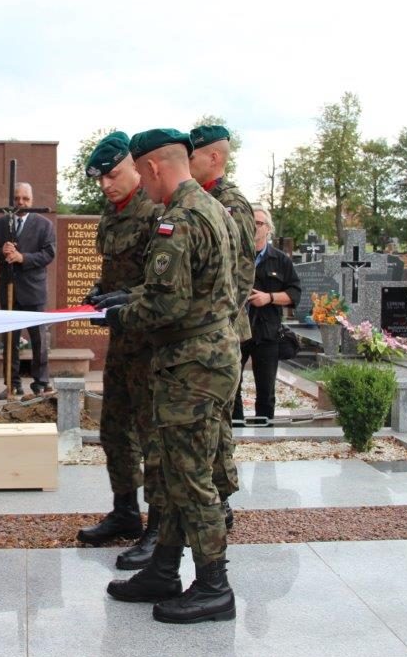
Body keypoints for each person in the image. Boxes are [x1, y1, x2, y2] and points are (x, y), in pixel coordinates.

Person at [102, 128, 241, 624]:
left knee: (190, 476)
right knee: (176, 471)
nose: (141, 184)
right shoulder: (214, 209)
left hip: (192, 364)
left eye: (140, 174)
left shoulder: (179, 220)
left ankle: (214, 586)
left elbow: (167, 304)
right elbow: (195, 286)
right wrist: (126, 296)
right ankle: (163, 569)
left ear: (154, 167)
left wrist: (120, 314)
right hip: (208, 355)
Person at [75, 131, 164, 570]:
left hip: (152, 342)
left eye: (112, 175)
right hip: (122, 340)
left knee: (153, 435)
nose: (106, 185)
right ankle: (125, 510)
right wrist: (100, 292)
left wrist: (125, 298)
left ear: (135, 167)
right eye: (100, 179)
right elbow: (115, 271)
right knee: (114, 428)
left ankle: (160, 528)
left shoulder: (158, 211)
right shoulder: (111, 214)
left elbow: (163, 283)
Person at [189, 124, 256, 530]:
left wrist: (218, 322)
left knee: (218, 421)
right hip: (202, 331)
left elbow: (243, 273)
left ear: (214, 157)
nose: (187, 162)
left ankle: (222, 498)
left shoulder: (231, 203)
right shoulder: (195, 199)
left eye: (192, 155)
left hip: (223, 331)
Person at [0, 182, 56, 399]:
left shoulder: (44, 225)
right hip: (8, 289)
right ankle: (12, 384)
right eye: (17, 198)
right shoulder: (0, 224)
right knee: (9, 340)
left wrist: (22, 257)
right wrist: (2, 251)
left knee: (39, 340)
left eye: (25, 198)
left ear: (32, 200)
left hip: (34, 290)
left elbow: (48, 254)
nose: (21, 202)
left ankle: (41, 383)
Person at [232, 207, 300, 425]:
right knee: (232, 385)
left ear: (269, 229)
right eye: (250, 222)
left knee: (266, 389)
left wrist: (269, 297)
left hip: (267, 332)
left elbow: (294, 294)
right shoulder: (235, 256)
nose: (254, 227)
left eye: (259, 223)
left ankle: (264, 432)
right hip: (237, 331)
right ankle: (236, 429)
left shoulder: (280, 260)